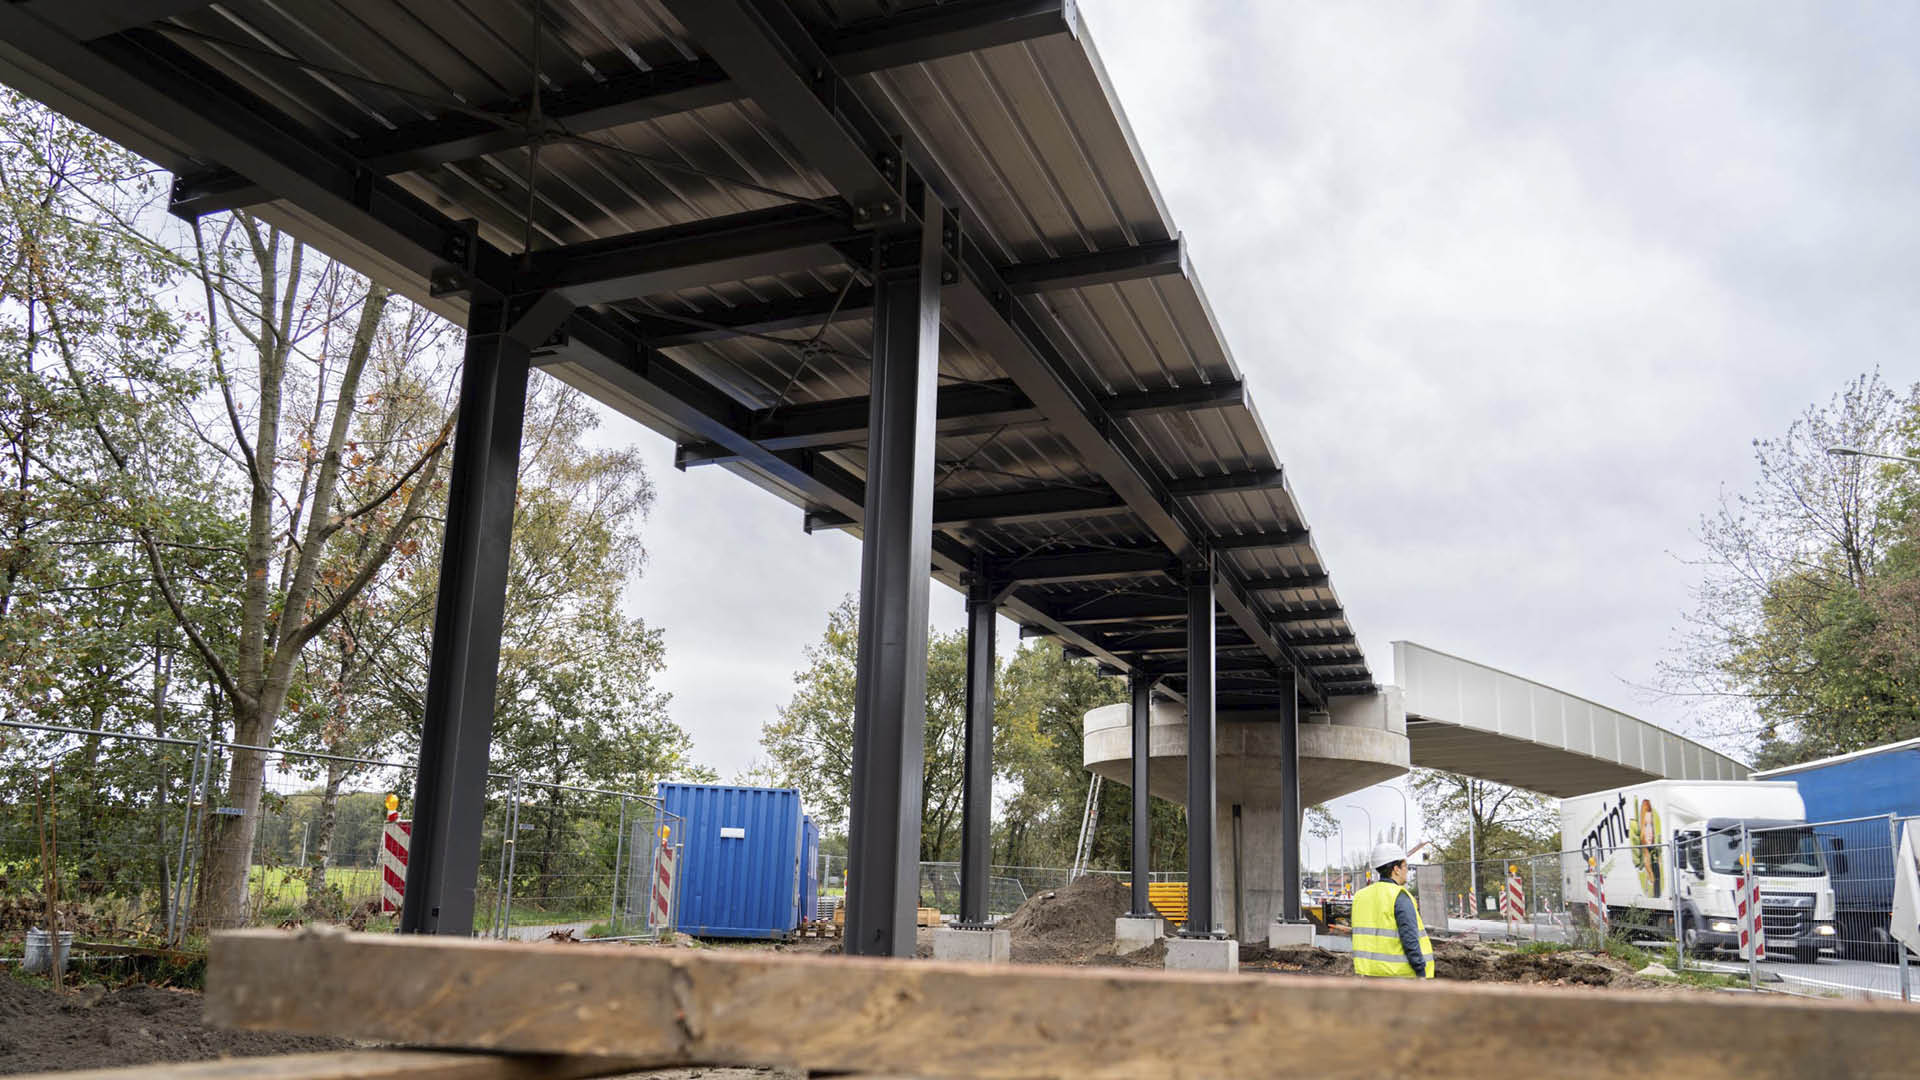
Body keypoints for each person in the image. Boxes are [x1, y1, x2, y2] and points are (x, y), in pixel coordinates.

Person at [1350, 841, 1435, 979]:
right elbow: (1409, 938)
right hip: (1400, 976)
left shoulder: (1360, 896)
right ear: (1396, 869)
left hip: (1368, 975)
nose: (1407, 871)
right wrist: (1420, 970)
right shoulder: (1399, 896)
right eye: (1405, 866)